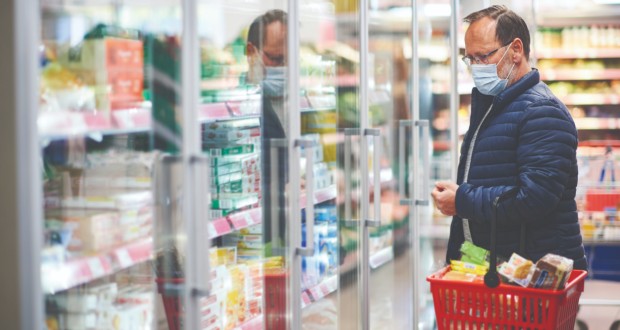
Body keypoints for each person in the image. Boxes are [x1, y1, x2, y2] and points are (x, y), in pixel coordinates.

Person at [431, 5, 587, 270]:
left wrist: (462, 200)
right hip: (501, 268)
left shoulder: (541, 111)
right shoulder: (494, 105)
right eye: (469, 59)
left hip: (535, 276)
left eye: (483, 56)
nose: (476, 67)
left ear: (515, 50)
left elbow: (535, 197)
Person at [246, 9, 288, 254]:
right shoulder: (239, 106)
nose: (285, 68)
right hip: (256, 237)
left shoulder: (304, 100)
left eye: (291, 59)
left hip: (291, 231)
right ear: (252, 53)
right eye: (276, 58)